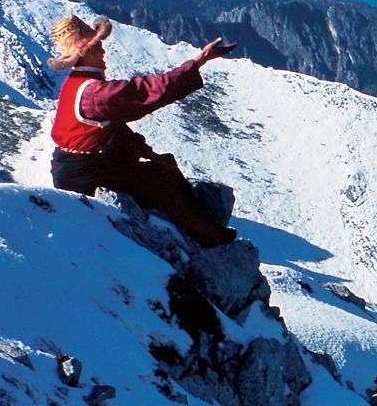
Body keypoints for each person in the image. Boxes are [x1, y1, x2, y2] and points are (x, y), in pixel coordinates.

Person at [43, 14, 239, 249]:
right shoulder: (97, 93)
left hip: (71, 165)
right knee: (162, 180)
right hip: (88, 173)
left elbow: (108, 129)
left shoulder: (75, 84)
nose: (103, 52)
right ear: (87, 52)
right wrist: (200, 60)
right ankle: (208, 237)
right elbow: (150, 90)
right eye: (98, 47)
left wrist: (146, 151)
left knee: (160, 167)